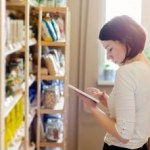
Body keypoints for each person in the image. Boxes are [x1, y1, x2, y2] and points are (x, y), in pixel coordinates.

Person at [77, 15, 150, 150]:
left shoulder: (126, 72)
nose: (108, 57)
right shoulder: (146, 67)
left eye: (109, 49)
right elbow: (135, 110)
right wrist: (106, 100)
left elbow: (123, 134)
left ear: (126, 41)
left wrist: (92, 107)